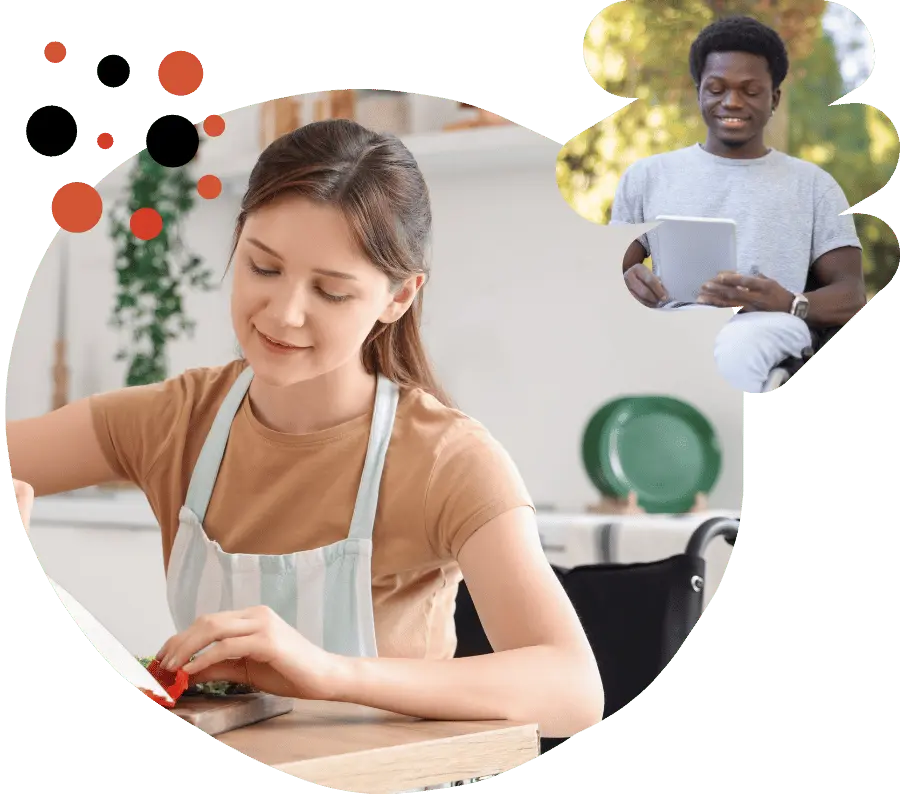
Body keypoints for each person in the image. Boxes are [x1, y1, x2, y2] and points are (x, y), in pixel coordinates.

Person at [7, 120, 604, 743]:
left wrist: (328, 672)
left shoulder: (446, 460)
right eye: (263, 268)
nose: (284, 313)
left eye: (331, 291)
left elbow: (572, 689)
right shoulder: (176, 421)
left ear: (398, 297)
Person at [611, 15, 866, 393]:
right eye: (716, 88)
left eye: (750, 90)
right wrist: (629, 281)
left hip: (765, 327)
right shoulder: (647, 177)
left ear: (774, 97)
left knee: (734, 351)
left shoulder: (814, 186)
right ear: (699, 91)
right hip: (672, 327)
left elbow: (852, 295)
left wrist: (790, 302)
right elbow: (604, 272)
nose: (731, 101)